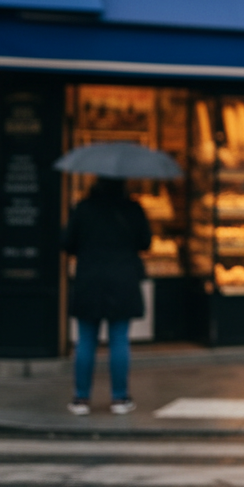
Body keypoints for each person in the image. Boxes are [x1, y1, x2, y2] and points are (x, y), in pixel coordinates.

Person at [62, 176, 151, 415]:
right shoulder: (133, 208)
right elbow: (146, 242)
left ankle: (81, 399)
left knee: (86, 340)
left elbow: (67, 243)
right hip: (122, 280)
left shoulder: (83, 208)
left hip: (89, 279)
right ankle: (120, 398)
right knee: (119, 339)